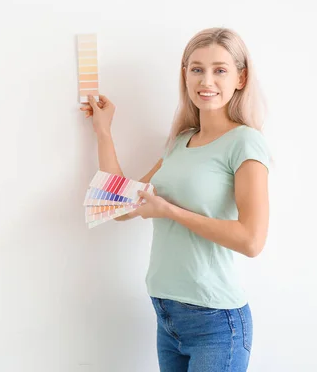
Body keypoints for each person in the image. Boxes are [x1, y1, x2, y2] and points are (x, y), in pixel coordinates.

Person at [79, 27, 271, 372]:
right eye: (196, 68)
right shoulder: (180, 141)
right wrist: (104, 131)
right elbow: (122, 207)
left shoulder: (245, 143)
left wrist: (169, 211)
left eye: (220, 69)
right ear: (185, 75)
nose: (206, 80)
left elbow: (251, 240)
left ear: (241, 78)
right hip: (167, 314)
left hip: (215, 322)